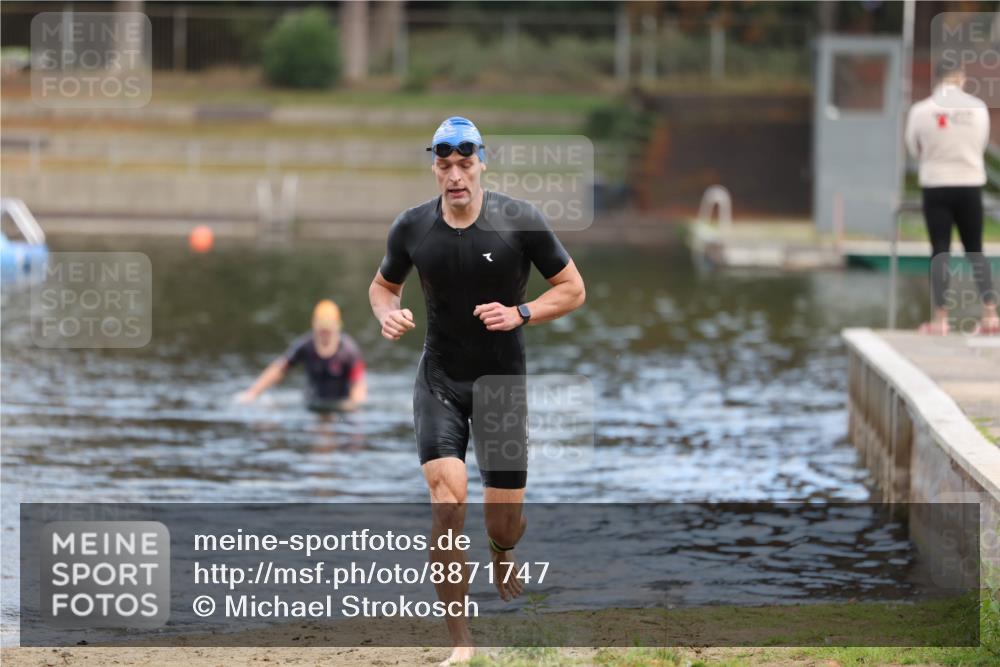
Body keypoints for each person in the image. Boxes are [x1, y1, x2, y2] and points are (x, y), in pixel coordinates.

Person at [368, 116, 585, 665]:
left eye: (465, 164)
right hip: (439, 378)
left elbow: (573, 289)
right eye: (445, 166)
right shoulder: (411, 228)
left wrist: (522, 312)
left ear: (481, 163)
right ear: (435, 169)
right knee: (448, 500)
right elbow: (381, 286)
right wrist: (388, 314)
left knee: (501, 521)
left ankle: (503, 550)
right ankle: (461, 643)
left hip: (502, 385)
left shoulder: (519, 220)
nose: (455, 175)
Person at [905, 61, 999, 335]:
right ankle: (991, 314)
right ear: (961, 78)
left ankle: (940, 320)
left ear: (937, 78)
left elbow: (913, 147)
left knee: (940, 251)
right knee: (975, 249)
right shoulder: (978, 108)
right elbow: (980, 144)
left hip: (936, 185)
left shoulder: (921, 110)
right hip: (970, 184)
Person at [236, 299, 367, 411]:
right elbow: (279, 368)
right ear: (314, 325)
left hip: (340, 405)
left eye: (328, 329)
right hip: (311, 403)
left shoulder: (349, 350)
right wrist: (252, 393)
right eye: (321, 329)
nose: (325, 334)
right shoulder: (305, 345)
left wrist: (354, 406)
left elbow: (358, 385)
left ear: (337, 326)